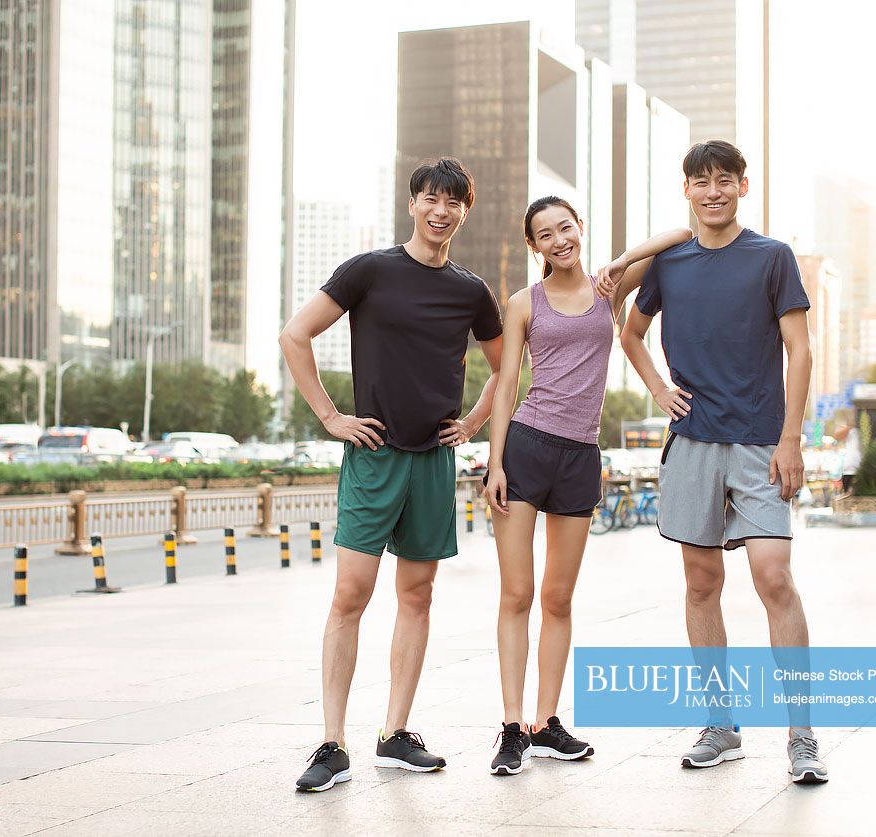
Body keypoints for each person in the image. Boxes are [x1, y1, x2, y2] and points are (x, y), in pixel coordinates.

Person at [280, 158, 504, 792]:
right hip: (374, 455)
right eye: (431, 198)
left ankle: (395, 734)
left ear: (465, 211)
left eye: (453, 202)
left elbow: (507, 364)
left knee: (417, 597)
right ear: (413, 204)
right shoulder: (369, 271)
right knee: (351, 595)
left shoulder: (470, 290)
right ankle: (331, 743)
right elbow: (295, 335)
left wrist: (475, 421)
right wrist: (329, 416)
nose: (441, 211)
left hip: (433, 458)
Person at [619, 140, 828, 784]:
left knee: (773, 578)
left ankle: (802, 736)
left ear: (744, 185)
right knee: (702, 582)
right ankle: (720, 724)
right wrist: (656, 388)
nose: (714, 191)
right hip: (692, 440)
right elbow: (627, 329)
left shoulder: (772, 257)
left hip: (761, 441)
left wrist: (792, 437)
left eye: (725, 181)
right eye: (701, 181)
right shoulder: (669, 264)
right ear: (686, 188)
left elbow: (800, 351)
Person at [483, 196, 692, 775]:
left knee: (557, 598)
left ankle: (546, 724)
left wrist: (618, 263)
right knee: (517, 595)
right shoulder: (523, 302)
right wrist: (495, 463)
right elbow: (505, 388)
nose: (558, 240)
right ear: (534, 247)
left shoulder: (609, 290)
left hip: (580, 455)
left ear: (581, 229)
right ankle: (510, 726)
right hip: (526, 447)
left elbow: (679, 234)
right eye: (544, 235)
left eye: (565, 228)